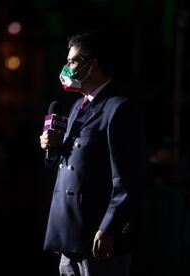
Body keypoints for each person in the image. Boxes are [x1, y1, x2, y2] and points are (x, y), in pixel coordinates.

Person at [39, 31, 146, 276]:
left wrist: (110, 226)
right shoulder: (78, 105)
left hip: (97, 237)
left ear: (92, 65)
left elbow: (128, 177)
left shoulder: (119, 107)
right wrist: (52, 147)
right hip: (69, 233)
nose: (66, 68)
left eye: (72, 62)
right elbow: (70, 166)